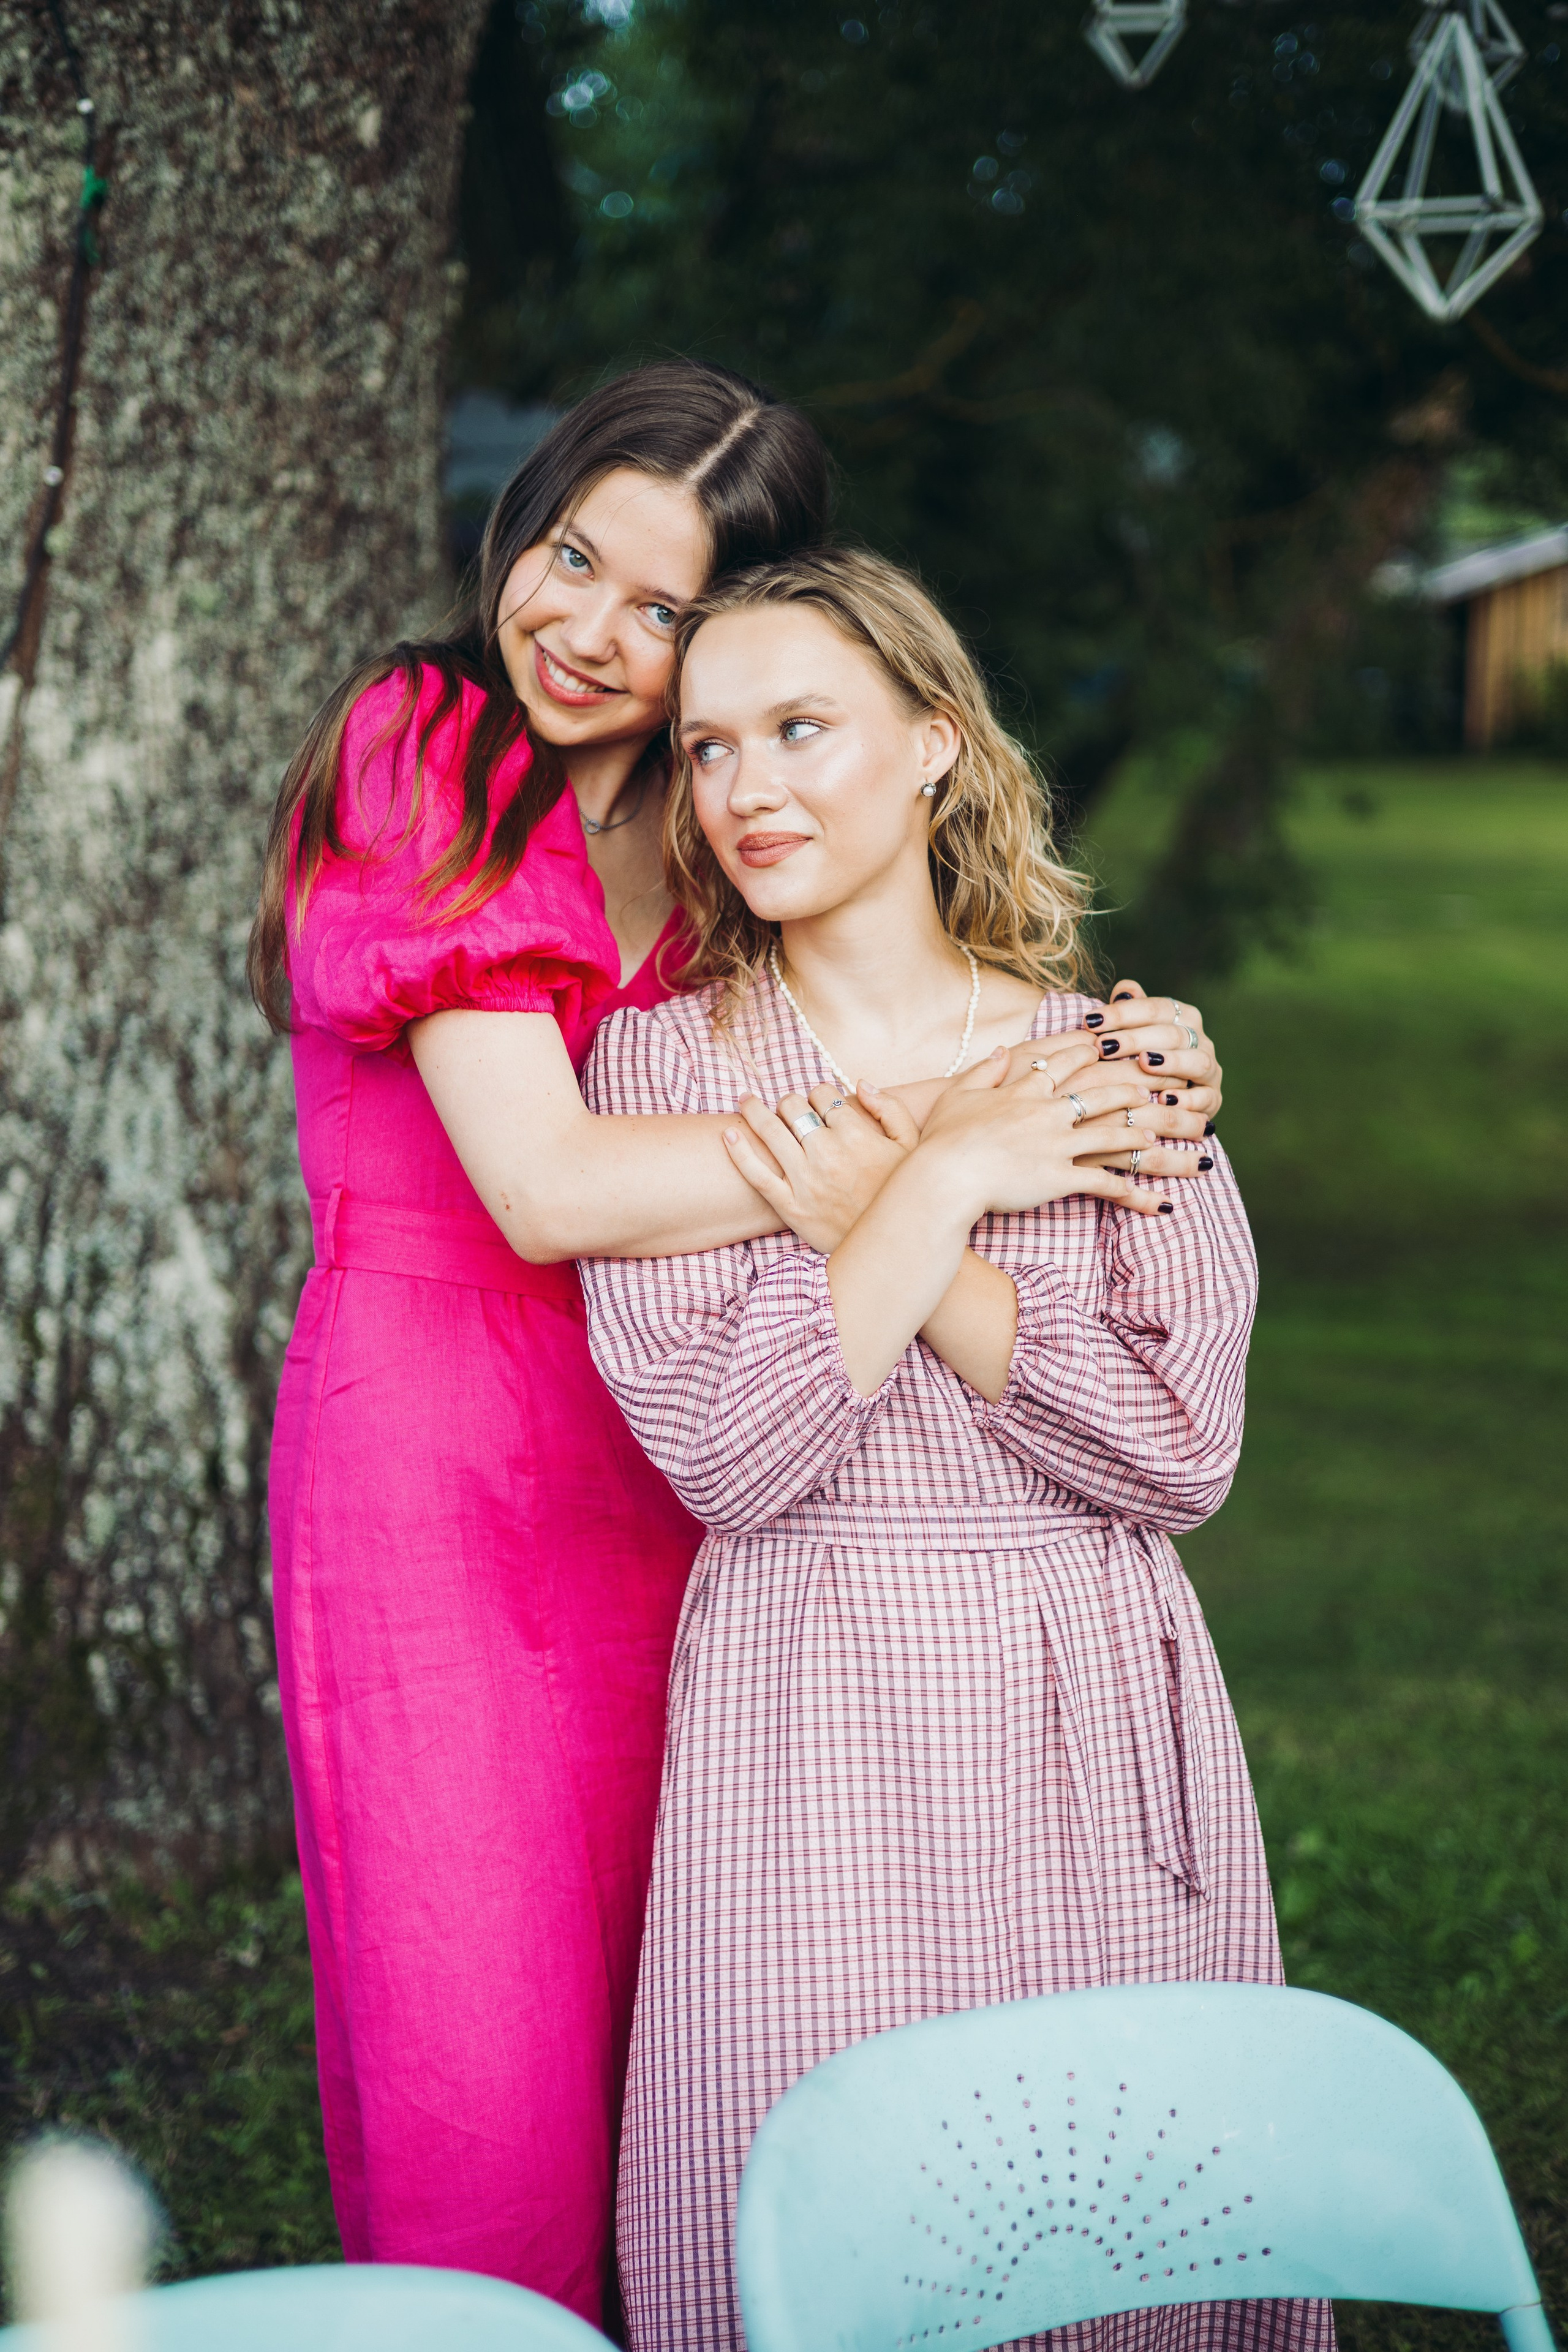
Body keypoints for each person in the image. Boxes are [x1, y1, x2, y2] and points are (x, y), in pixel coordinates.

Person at [249, 361, 1224, 2321]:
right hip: (442, 1454)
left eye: (668, 611)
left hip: (688, 1445)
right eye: (571, 555)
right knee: (488, 2061)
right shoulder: (424, 739)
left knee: (691, 2019)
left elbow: (875, 1023)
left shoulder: (719, 833)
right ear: (519, 523)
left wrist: (1113, 1064)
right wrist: (954, 1144)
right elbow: (545, 1188)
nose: (591, 631)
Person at [578, 546, 1327, 2352]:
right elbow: (732, 1455)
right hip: (808, 1690)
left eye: (801, 729)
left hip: (1081, 1692)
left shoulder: (1122, 1060)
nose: (748, 789)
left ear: (931, 743)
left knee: (1115, 2221)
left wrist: (919, 1224)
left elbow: (1174, 1451)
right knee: (825, 2212)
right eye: (708, 748)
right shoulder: (661, 1073)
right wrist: (951, 1171)